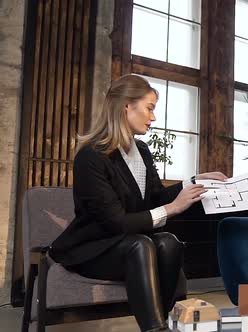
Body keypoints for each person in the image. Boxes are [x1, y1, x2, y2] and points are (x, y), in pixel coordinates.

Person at [49, 74, 227, 332]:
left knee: (168, 242)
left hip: (128, 244)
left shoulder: (141, 150)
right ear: (126, 106)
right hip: (93, 249)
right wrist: (172, 208)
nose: (153, 117)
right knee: (140, 244)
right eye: (150, 108)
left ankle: (161, 322)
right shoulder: (91, 157)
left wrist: (192, 181)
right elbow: (115, 222)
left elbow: (155, 197)